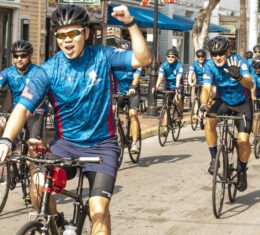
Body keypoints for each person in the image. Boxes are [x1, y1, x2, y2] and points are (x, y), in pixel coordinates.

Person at [0, 4, 151, 234]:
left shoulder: (103, 56)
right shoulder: (48, 70)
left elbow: (143, 58)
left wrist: (130, 23)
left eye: (73, 33)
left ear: (86, 33)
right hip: (65, 145)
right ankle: (55, 226)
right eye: (61, 35)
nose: (67, 40)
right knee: (38, 187)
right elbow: (22, 108)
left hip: (102, 146)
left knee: (98, 212)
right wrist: (6, 140)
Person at [200, 35, 254, 192]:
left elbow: (250, 84)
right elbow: (206, 88)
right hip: (223, 101)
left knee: (243, 140)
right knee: (209, 120)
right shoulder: (209, 65)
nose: (217, 57)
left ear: (228, 51)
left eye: (221, 53)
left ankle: (242, 170)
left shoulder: (238, 61)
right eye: (214, 54)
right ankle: (214, 158)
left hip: (242, 103)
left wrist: (238, 77)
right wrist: (203, 105)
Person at [0, 40, 47, 158]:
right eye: (16, 56)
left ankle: (33, 171)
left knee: (33, 147)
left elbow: (43, 96)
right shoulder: (8, 72)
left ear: (30, 56)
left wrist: (33, 109)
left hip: (35, 111)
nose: (19, 59)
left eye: (23, 56)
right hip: (15, 111)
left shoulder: (38, 72)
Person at [111, 40, 142, 153]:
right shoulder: (113, 64)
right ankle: (119, 129)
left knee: (133, 114)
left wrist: (132, 87)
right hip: (118, 93)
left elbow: (136, 78)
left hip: (132, 93)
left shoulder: (135, 63)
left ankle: (135, 143)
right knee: (111, 113)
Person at [154, 48, 184, 118]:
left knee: (177, 99)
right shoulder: (163, 65)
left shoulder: (179, 65)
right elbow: (160, 77)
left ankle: (180, 112)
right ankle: (166, 126)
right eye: (168, 56)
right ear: (166, 57)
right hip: (168, 85)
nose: (170, 58)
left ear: (176, 58)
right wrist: (156, 87)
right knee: (166, 104)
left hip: (178, 84)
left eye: (172, 57)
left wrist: (177, 89)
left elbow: (178, 78)